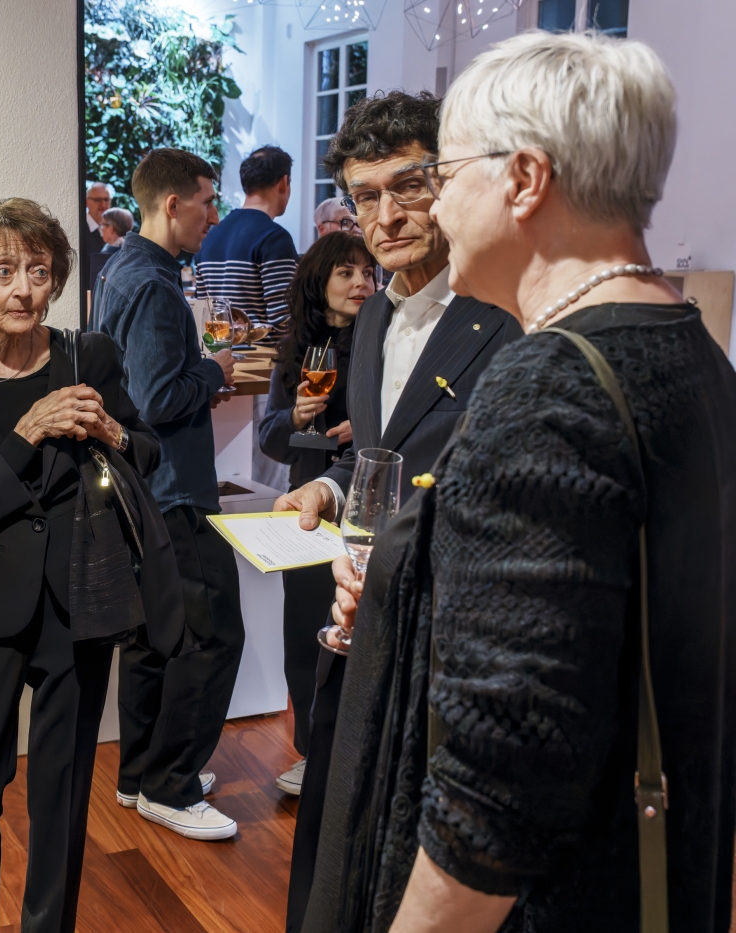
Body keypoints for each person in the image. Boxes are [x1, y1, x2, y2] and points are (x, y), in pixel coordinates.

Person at [308, 31, 736, 933]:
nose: (435, 207)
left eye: (448, 173)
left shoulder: (548, 386)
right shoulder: (689, 348)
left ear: (526, 179)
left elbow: (499, 782)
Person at [273, 90, 522, 933]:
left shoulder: (509, 318)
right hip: (360, 613)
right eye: (366, 196)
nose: (386, 216)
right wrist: (330, 486)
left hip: (448, 637)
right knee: (337, 828)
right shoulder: (373, 313)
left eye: (408, 187)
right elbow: (377, 451)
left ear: (450, 181)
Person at [0, 198, 181, 933]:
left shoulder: (89, 356)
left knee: (60, 797)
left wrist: (114, 428)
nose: (24, 287)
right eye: (4, 270)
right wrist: (27, 433)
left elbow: (145, 455)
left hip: (80, 605)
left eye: (40, 270)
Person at [94, 148, 243, 841]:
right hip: (174, 490)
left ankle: (140, 774)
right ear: (174, 203)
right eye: (209, 201)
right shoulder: (153, 284)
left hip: (142, 486)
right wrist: (213, 371)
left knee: (155, 639)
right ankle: (171, 783)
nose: (215, 215)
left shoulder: (122, 265)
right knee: (213, 634)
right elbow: (157, 399)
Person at [257, 231, 375, 797]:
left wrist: (367, 428)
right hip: (305, 507)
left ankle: (346, 758)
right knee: (304, 638)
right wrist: (301, 422)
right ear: (319, 283)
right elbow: (271, 439)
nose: (361, 283)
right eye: (346, 273)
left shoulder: (384, 341)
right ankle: (310, 753)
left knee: (354, 634)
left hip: (364, 507)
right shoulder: (297, 347)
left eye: (367, 273)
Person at [194, 145, 299, 343]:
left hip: (219, 361)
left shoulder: (208, 237)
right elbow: (284, 322)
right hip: (262, 366)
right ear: (284, 183)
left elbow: (203, 313)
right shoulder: (274, 238)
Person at [80, 181, 114, 299]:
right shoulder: (79, 228)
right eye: (98, 200)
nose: (103, 205)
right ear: (86, 202)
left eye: (106, 200)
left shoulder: (114, 230)